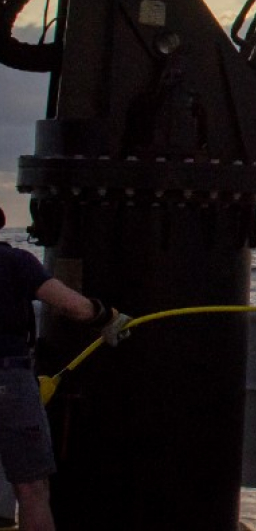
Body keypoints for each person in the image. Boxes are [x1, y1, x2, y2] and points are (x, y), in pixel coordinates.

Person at [0, 204, 130, 531]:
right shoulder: (16, 262)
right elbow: (73, 307)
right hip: (9, 381)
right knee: (31, 488)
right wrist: (108, 317)